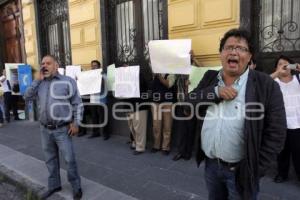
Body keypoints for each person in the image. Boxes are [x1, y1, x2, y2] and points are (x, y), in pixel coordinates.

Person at [186, 28, 286, 199]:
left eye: (240, 48)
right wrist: (216, 92)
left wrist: (254, 169)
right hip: (211, 166)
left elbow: (276, 133)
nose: (233, 52)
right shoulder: (210, 77)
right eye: (228, 47)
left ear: (249, 56)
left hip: (242, 171)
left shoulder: (266, 84)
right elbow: (189, 103)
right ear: (221, 53)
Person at [24, 55, 83, 200]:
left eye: (48, 63)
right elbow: (26, 96)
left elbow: (77, 104)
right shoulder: (39, 83)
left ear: (56, 66)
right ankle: (54, 185)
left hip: (63, 129)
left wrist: (76, 123)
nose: (44, 66)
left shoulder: (68, 82)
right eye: (42, 63)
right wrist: (37, 80)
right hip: (45, 129)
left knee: (69, 159)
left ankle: (76, 187)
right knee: (50, 159)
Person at [270, 55, 300, 183]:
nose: (284, 66)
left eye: (287, 64)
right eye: (280, 64)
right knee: (281, 152)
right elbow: (260, 83)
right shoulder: (273, 83)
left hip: (298, 124)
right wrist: (277, 73)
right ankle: (282, 174)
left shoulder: (298, 79)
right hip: (280, 125)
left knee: (299, 153)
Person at [151, 73, 176, 155]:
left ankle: (165, 147)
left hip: (167, 103)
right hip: (155, 102)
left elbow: (169, 84)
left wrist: (159, 76)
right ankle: (156, 146)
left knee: (167, 126)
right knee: (156, 125)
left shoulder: (171, 73)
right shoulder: (154, 73)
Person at [88, 60, 109, 140]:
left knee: (103, 117)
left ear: (99, 66)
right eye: (92, 66)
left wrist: (101, 77)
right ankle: (95, 132)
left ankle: (106, 133)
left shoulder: (103, 75)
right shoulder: (89, 75)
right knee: (94, 117)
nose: (93, 67)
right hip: (93, 99)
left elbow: (107, 84)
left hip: (101, 100)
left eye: (95, 65)